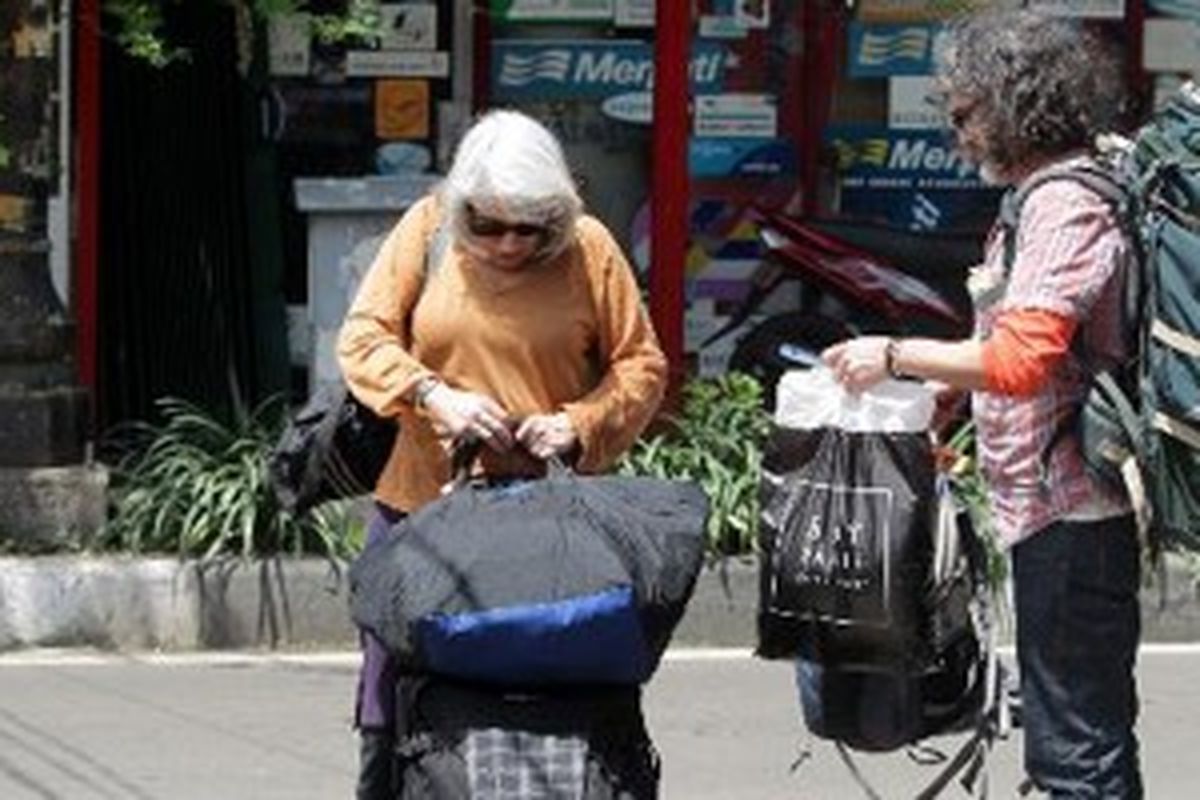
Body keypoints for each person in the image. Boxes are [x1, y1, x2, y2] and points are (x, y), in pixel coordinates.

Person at [822, 11, 1142, 798]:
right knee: (1072, 730)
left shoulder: (1065, 203)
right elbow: (1018, 347)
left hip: (1073, 513)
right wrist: (944, 394)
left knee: (1075, 746)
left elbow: (1021, 358)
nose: (956, 133)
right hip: (1051, 509)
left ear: (1015, 104)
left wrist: (892, 355)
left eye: (965, 113)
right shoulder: (1039, 197)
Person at [337, 109, 668, 799]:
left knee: (552, 700)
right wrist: (433, 395)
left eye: (531, 228)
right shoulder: (427, 231)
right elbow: (362, 341)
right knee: (389, 704)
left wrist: (575, 425)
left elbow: (641, 367)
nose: (509, 244)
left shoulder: (588, 248)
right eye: (487, 226)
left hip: (548, 528)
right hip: (423, 516)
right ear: (461, 208)